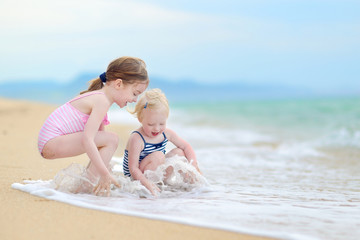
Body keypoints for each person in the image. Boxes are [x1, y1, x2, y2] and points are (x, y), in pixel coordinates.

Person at [38, 56, 149, 196]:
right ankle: (86, 187)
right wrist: (104, 173)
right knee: (113, 139)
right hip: (51, 142)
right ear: (119, 84)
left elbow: (100, 143)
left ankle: (86, 185)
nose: (135, 100)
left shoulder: (101, 99)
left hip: (50, 143)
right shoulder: (101, 100)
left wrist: (106, 168)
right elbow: (88, 139)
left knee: (109, 140)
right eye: (135, 93)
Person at [123, 88, 201, 195]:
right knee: (159, 156)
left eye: (161, 124)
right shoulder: (137, 138)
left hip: (156, 171)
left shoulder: (166, 133)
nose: (157, 129)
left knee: (179, 153)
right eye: (151, 124)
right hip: (137, 177)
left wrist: (194, 165)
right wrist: (145, 182)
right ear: (140, 119)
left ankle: (193, 187)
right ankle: (150, 186)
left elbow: (186, 146)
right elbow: (133, 169)